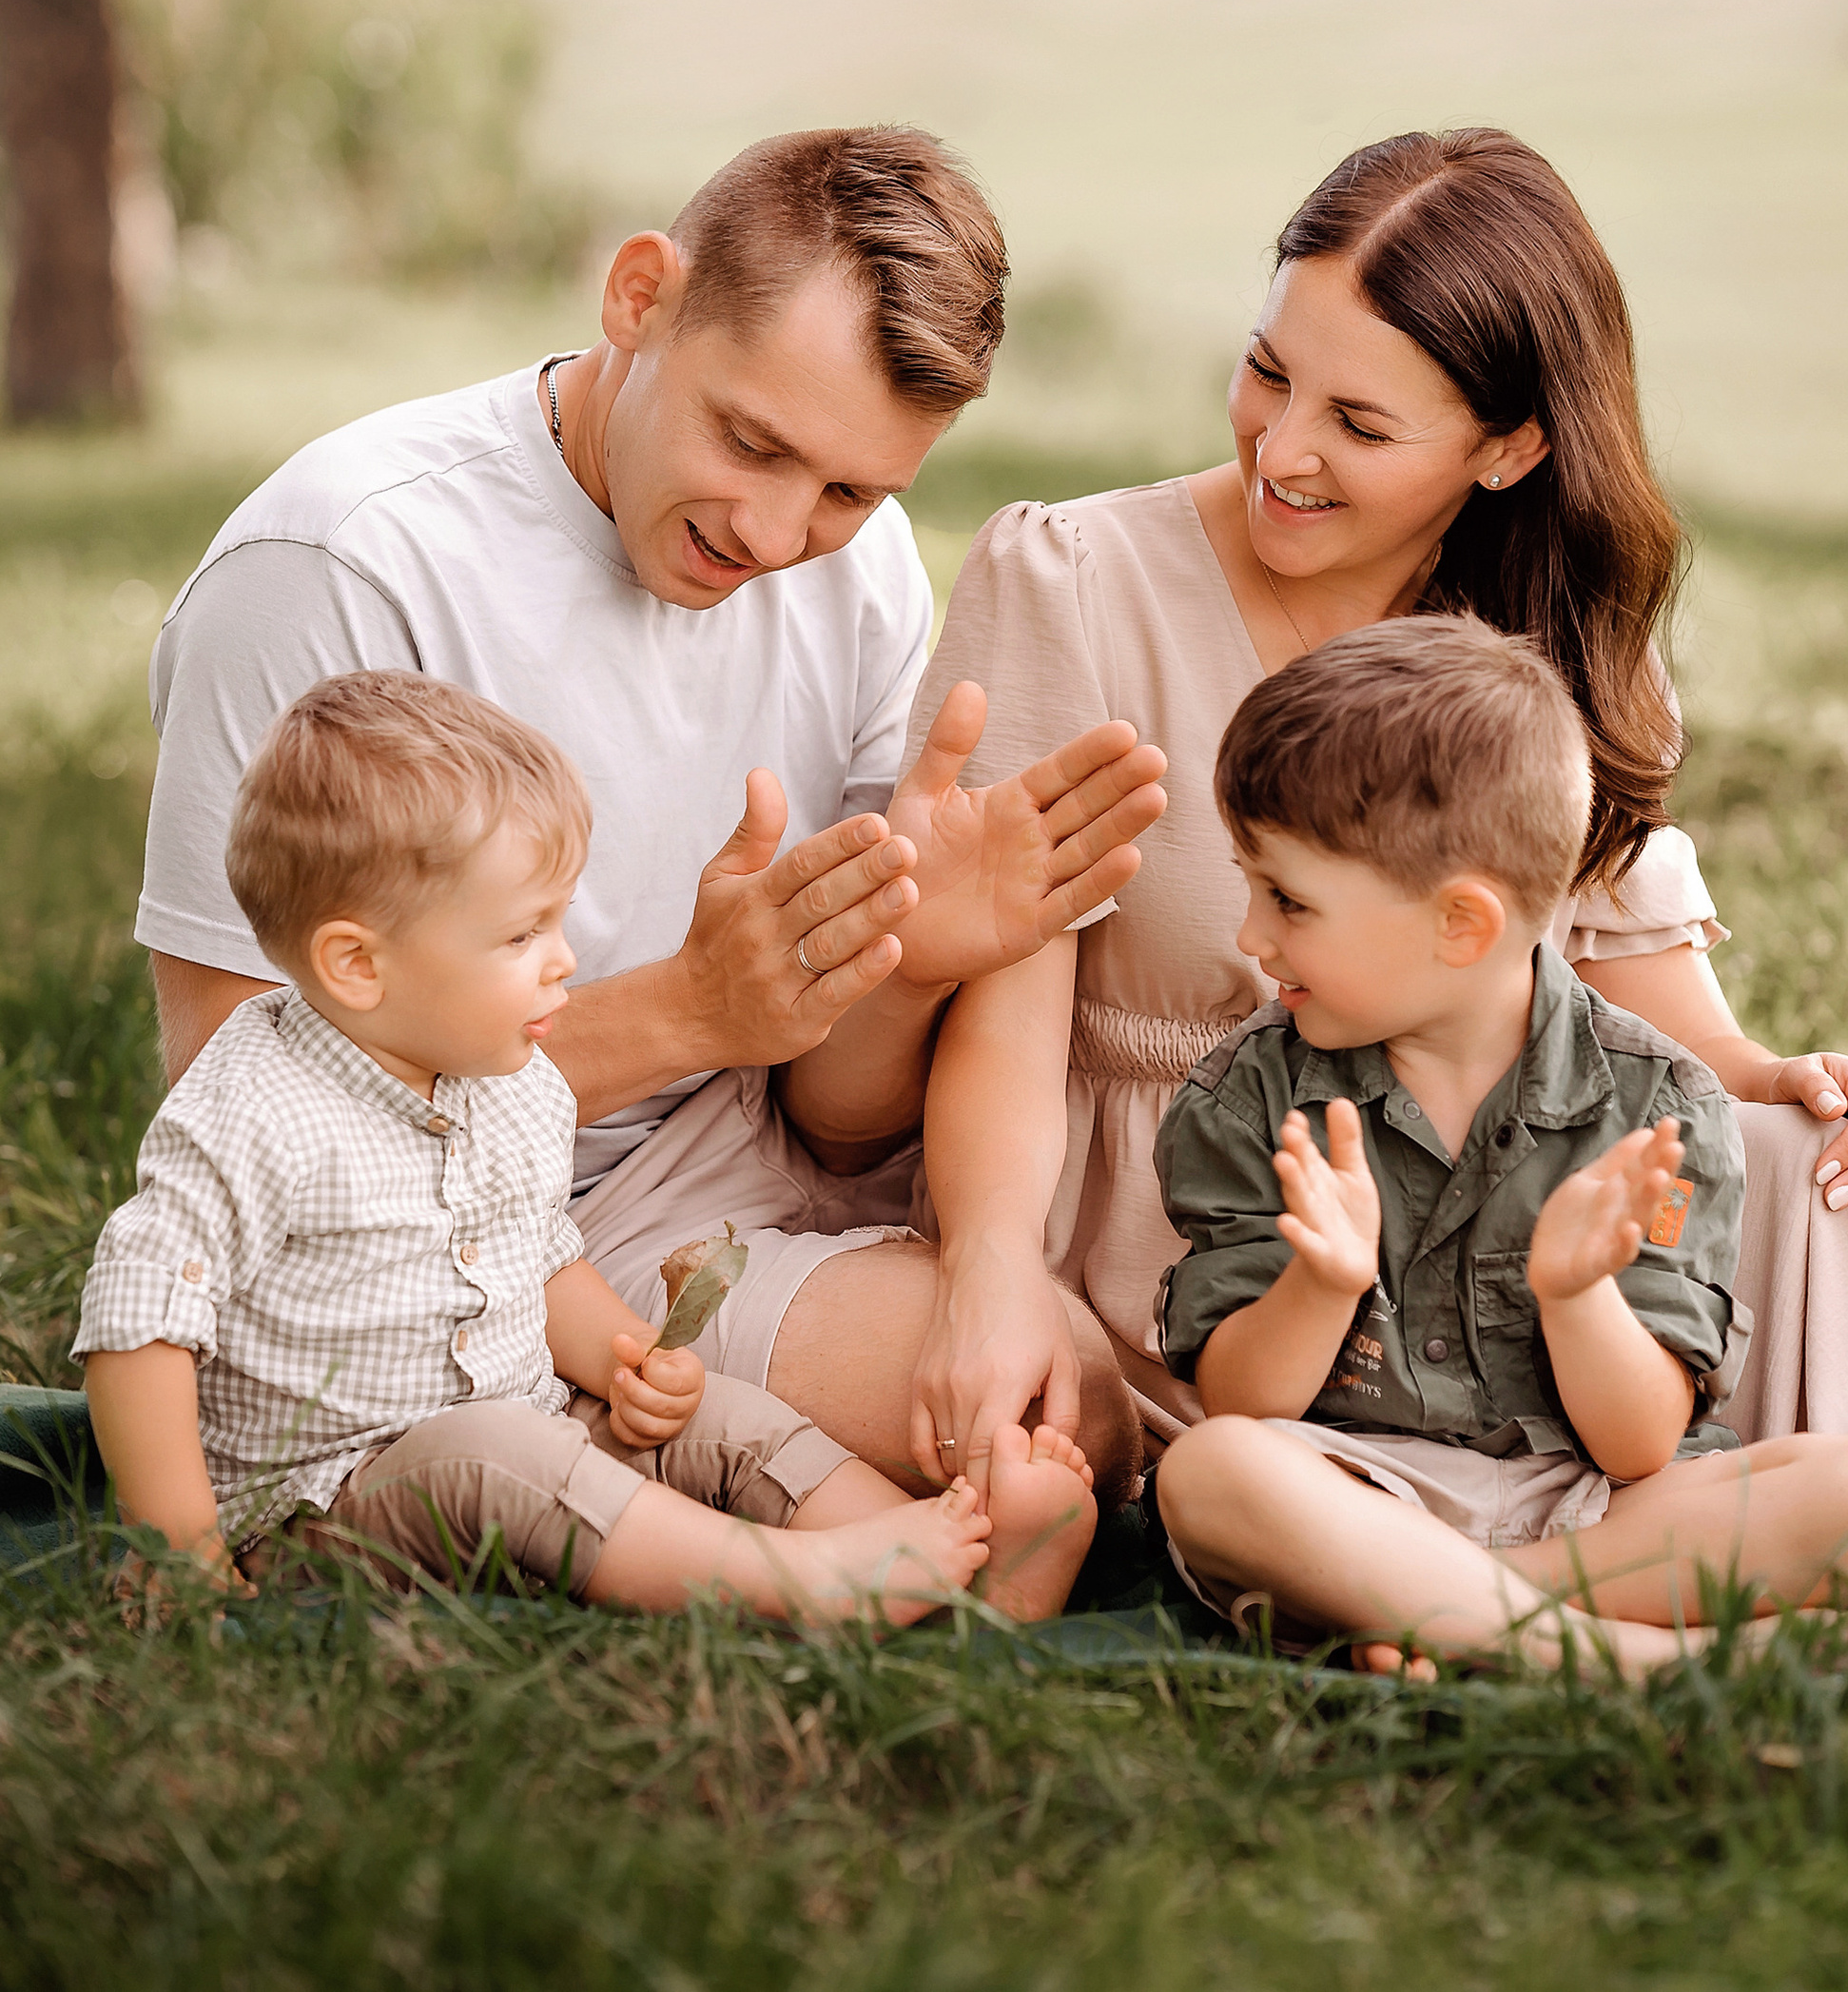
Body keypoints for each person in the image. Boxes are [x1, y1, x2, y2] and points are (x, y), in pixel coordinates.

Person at [910, 127, 1848, 1608]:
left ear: (1510, 447)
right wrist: (989, 1267)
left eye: (1360, 425)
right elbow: (1002, 995)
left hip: (1519, 1221)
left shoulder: (1542, 642)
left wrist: (1802, 1084)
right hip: (1228, 1240)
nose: (1281, 449)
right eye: (1267, 369)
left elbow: (1652, 1028)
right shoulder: (1080, 582)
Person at [133, 128, 1165, 1513]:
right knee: (1004, 1446)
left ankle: (637, 1440)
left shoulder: (858, 588)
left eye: (853, 492)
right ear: (638, 299)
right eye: (752, 441)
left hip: (741, 1179)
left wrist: (904, 962)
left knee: (1070, 1410)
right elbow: (230, 1087)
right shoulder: (340, 566)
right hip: (426, 1224)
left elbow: (835, 1122)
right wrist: (690, 1011)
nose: (778, 533)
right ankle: (555, 1429)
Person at [76, 672, 1099, 1619]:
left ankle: (944, 1561)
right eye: (522, 936)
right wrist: (179, 1548)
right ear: (356, 963)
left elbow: (539, 1254)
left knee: (719, 1420)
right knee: (497, 1453)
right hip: (329, 1504)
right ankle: (805, 1582)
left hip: (534, 1424)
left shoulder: (511, 1078)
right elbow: (139, 1320)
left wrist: (621, 1361)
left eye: (560, 921)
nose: (564, 961)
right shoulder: (257, 1106)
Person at [1152, 620, 1848, 1674]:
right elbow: (1246, 1406)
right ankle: (1638, 1659)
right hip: (1353, 1491)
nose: (1252, 936)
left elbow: (1640, 1445)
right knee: (1209, 1475)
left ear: (1461, 924)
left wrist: (1577, 1297)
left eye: (1288, 899)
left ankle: (1444, 1614)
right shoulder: (1248, 1094)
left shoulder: (1662, 1107)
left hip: (1601, 1510)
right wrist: (1320, 1282)